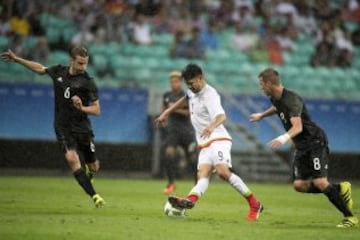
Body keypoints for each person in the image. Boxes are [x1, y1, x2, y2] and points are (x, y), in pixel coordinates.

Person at [249, 68, 357, 228]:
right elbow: (277, 108)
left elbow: (297, 127)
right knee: (299, 185)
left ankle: (350, 217)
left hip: (314, 142)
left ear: (269, 83)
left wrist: (283, 137)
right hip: (301, 146)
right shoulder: (275, 97)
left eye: (261, 84)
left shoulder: (292, 100)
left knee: (320, 182)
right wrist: (262, 115)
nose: (261, 88)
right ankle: (340, 188)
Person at [1, 46, 106, 208]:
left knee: (94, 166)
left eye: (85, 64)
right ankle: (94, 195)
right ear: (71, 61)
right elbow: (40, 69)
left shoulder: (88, 81)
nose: (83, 67)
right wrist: (17, 59)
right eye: (80, 63)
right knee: (71, 158)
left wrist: (82, 108)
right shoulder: (58, 71)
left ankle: (90, 172)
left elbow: (97, 110)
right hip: (63, 126)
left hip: (82, 128)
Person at [155, 64, 263, 221]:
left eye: (192, 83)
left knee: (222, 172)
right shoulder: (192, 92)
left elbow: (221, 116)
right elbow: (184, 98)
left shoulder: (210, 95)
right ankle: (190, 201)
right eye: (188, 84)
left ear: (200, 78)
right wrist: (166, 112)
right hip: (205, 143)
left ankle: (255, 204)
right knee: (202, 176)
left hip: (219, 139)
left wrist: (211, 126)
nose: (190, 87)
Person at [161, 71, 197, 194]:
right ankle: (171, 183)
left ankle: (197, 182)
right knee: (168, 153)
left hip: (186, 130)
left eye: (176, 81)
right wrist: (164, 117)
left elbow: (188, 112)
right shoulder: (166, 95)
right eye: (172, 81)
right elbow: (164, 110)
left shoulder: (186, 95)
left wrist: (174, 109)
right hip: (173, 131)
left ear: (180, 82)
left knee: (192, 157)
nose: (173, 84)